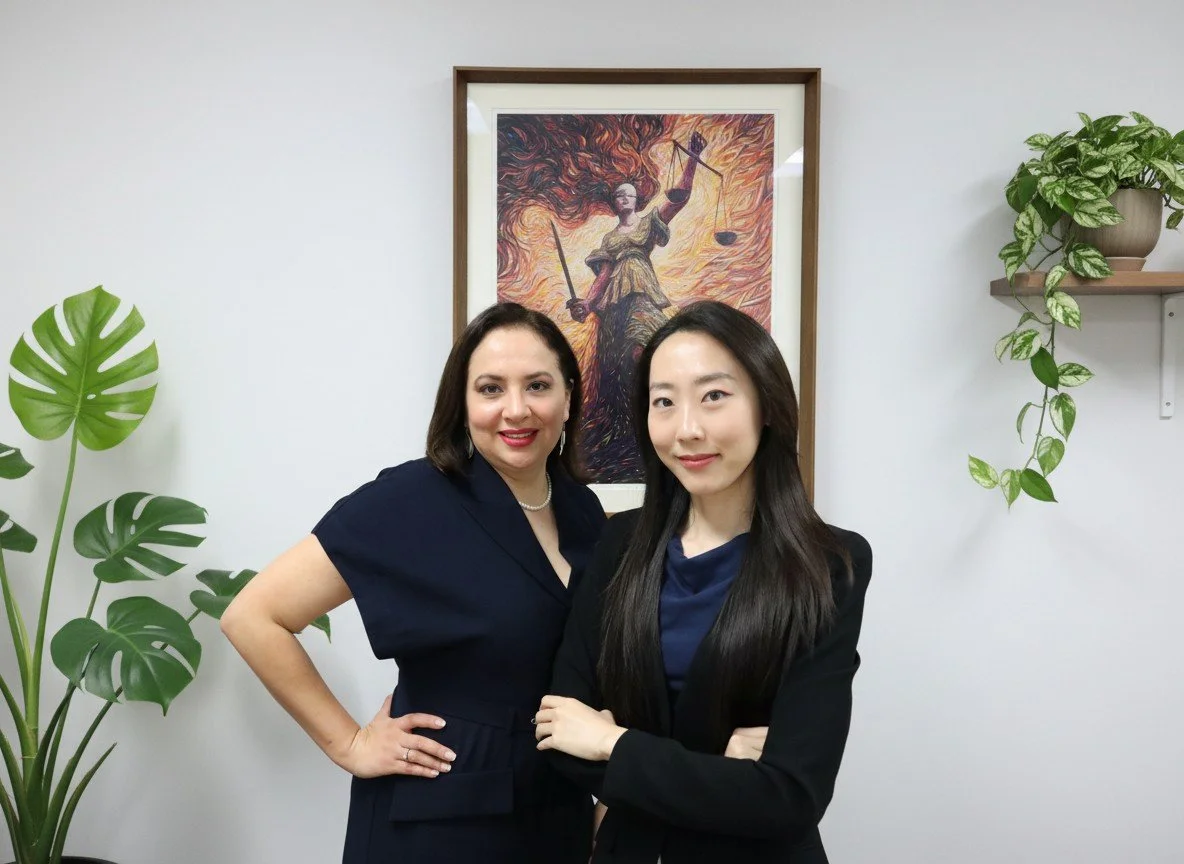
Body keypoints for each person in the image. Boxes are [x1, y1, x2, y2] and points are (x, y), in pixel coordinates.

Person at [221, 302, 607, 863]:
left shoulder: (582, 509)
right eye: (491, 388)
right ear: (463, 402)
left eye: (538, 385)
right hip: (442, 816)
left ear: (568, 396)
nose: (516, 409)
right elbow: (254, 616)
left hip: (556, 810)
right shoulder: (412, 499)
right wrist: (349, 743)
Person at [534, 300, 873, 863]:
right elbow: (559, 735)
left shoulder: (830, 564)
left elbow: (791, 797)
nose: (687, 429)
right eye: (664, 402)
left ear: (766, 404)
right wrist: (720, 767)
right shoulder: (617, 546)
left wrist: (612, 743)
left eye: (714, 396)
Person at [569, 131, 708, 483]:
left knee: (641, 352)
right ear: (615, 203)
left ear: (636, 199)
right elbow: (603, 276)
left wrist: (692, 158)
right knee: (614, 367)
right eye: (618, 195)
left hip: (642, 293)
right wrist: (585, 304)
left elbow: (680, 198)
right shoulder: (610, 239)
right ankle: (629, 432)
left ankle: (655, 420)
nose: (623, 199)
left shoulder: (648, 223)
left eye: (628, 194)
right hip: (613, 305)